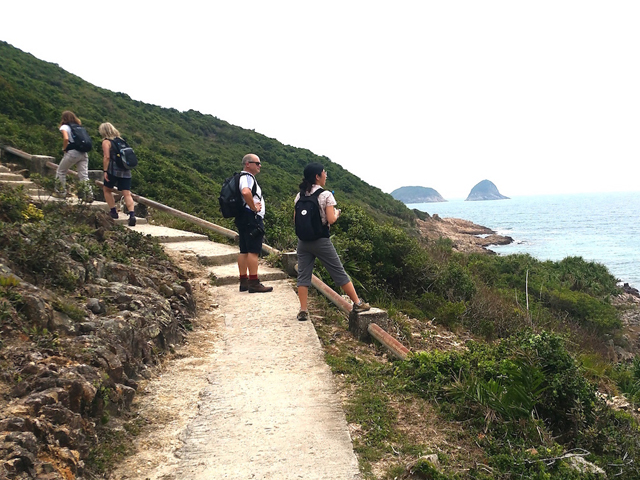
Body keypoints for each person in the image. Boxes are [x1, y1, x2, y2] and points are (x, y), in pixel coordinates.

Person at [294, 162, 370, 321]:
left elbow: (295, 219)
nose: (326, 175)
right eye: (324, 172)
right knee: (338, 271)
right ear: (317, 176)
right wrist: (336, 214)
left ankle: (303, 309)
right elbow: (330, 219)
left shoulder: (300, 195)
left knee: (303, 274)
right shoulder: (326, 195)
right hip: (321, 241)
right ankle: (357, 302)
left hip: (303, 241)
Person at [235, 154, 273, 293]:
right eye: (257, 163)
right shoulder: (248, 178)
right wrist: (253, 208)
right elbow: (246, 192)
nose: (259, 165)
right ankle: (254, 282)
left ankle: (243, 281)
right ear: (247, 164)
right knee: (253, 251)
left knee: (244, 250)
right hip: (251, 217)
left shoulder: (240, 177)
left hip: (242, 217)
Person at [99, 122, 136, 226]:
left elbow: (107, 157)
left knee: (106, 189)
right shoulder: (121, 140)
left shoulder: (106, 142)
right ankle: (132, 215)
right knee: (127, 193)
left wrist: (105, 171)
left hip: (113, 170)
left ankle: (113, 212)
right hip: (126, 170)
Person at [54, 111, 93, 201]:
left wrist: (64, 148)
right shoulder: (79, 127)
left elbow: (66, 138)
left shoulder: (65, 127)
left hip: (73, 153)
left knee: (61, 171)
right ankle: (88, 195)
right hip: (83, 153)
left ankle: (61, 192)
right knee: (84, 175)